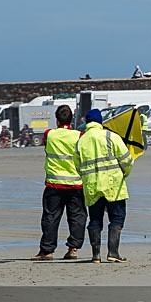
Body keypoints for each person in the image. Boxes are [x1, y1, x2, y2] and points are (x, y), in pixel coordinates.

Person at [73, 108, 133, 263]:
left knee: (95, 219)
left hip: (92, 187)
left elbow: (77, 166)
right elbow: (126, 160)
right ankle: (113, 252)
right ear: (100, 121)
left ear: (87, 122)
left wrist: (88, 178)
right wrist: (125, 173)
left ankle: (96, 255)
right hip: (114, 185)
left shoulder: (81, 141)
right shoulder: (111, 136)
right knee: (117, 217)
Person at [31, 105, 87, 261]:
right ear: (72, 119)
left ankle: (47, 251)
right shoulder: (79, 136)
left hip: (54, 184)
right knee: (77, 217)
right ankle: (73, 249)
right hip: (75, 184)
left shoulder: (49, 134)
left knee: (50, 217)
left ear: (56, 119)